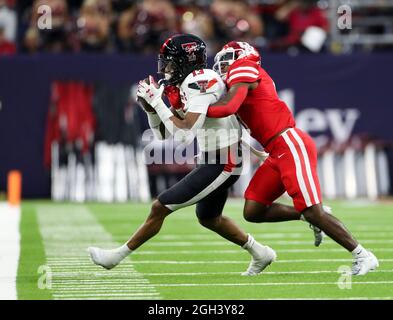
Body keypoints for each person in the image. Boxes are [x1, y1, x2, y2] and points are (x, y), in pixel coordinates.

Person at [88, 34, 276, 276]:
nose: (165, 69)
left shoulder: (202, 80)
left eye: (170, 62)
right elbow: (166, 135)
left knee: (161, 205)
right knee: (208, 217)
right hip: (212, 158)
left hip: (224, 161)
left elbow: (186, 133)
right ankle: (261, 253)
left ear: (186, 61)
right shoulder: (184, 84)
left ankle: (116, 256)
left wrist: (158, 103)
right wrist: (151, 109)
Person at [206, 41, 379, 276]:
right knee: (253, 210)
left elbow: (229, 107)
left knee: (313, 210)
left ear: (243, 57)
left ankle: (363, 255)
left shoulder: (245, 67)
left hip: (289, 143)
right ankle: (310, 216)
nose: (222, 65)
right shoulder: (238, 80)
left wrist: (196, 110)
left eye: (228, 59)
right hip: (276, 150)